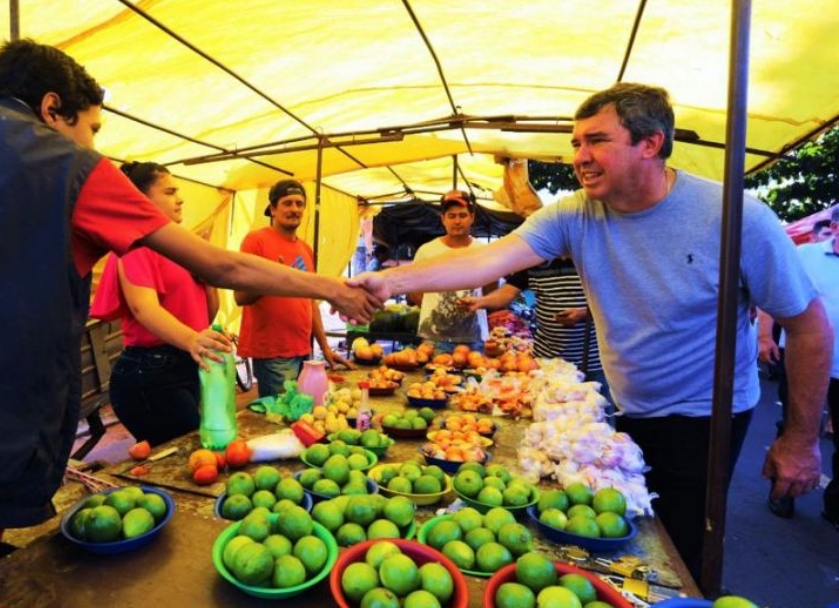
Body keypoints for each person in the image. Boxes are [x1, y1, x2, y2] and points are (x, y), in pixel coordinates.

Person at [0, 40, 378, 608]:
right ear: (54, 108)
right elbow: (218, 263)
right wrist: (333, 288)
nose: (96, 147)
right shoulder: (62, 164)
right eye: (92, 129)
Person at [348, 82, 832, 582]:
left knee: (682, 550)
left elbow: (810, 327)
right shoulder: (575, 212)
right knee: (625, 536)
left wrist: (800, 439)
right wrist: (388, 280)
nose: (580, 156)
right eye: (576, 143)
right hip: (625, 409)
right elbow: (488, 259)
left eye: (596, 141)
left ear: (651, 142)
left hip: (705, 416)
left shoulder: (735, 216)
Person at [88, 161, 229, 445]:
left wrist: (207, 280)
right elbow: (144, 308)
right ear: (141, 199)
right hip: (152, 373)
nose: (180, 199)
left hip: (185, 364)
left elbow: (206, 314)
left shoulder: (178, 248)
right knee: (187, 453)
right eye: (170, 191)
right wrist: (193, 340)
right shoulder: (136, 245)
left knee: (194, 452)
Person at [235, 179, 356, 398]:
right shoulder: (256, 241)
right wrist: (272, 279)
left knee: (303, 416)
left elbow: (311, 302)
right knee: (280, 420)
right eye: (287, 203)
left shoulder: (305, 249)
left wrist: (324, 347)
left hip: (303, 349)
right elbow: (241, 297)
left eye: (299, 204)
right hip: (272, 352)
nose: (295, 209)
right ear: (272, 209)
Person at [759, 206, 839, 526]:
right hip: (801, 359)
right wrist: (765, 335)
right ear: (834, 226)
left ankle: (834, 506)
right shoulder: (805, 254)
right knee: (793, 424)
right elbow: (771, 297)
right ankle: (783, 492)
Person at [461, 257, 604, 383]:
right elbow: (507, 292)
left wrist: (585, 313)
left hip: (591, 361)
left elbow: (618, 302)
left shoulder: (593, 258)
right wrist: (481, 301)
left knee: (596, 410)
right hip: (546, 360)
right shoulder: (535, 261)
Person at [406, 191, 489, 350]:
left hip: (474, 337)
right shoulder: (427, 251)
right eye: (451, 216)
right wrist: (434, 309)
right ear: (443, 219)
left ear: (472, 217)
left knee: (475, 374)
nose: (457, 221)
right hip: (435, 338)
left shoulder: (483, 251)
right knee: (436, 374)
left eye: (462, 215)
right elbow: (413, 288)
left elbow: (491, 288)